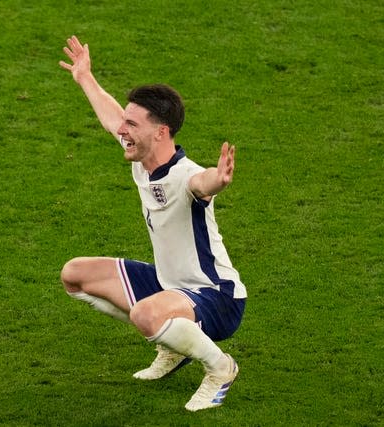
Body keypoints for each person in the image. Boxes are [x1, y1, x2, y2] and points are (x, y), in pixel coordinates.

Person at [58, 35, 247, 412]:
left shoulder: (184, 176)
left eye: (132, 123)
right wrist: (85, 78)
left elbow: (202, 183)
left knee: (144, 314)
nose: (122, 129)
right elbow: (112, 116)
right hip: (168, 283)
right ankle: (174, 345)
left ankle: (220, 367)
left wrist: (219, 180)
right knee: (74, 275)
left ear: (160, 132)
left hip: (216, 296)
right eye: (125, 122)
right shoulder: (140, 156)